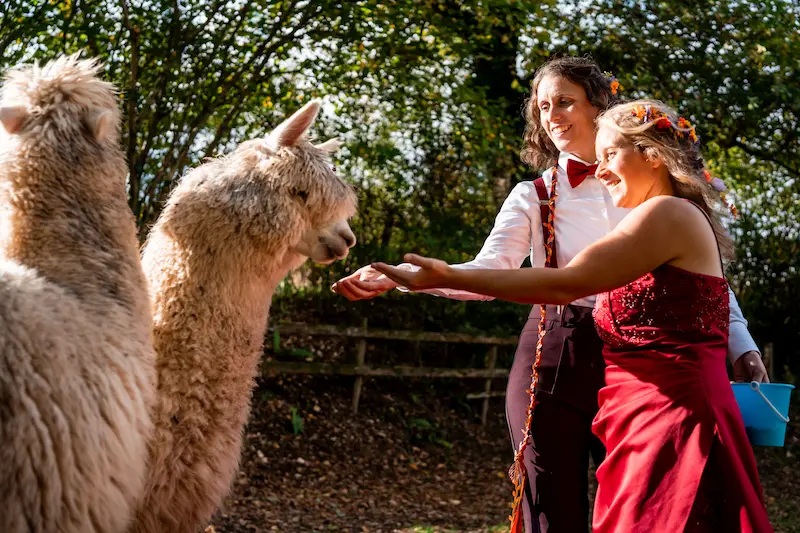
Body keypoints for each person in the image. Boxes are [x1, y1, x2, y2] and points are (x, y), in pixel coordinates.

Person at [333, 57, 768, 533]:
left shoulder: (654, 197)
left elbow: (698, 287)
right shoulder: (535, 194)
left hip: (647, 366)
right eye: (543, 107)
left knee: (648, 499)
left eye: (564, 102)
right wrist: (407, 277)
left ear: (599, 105)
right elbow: (493, 271)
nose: (553, 116)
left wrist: (740, 342)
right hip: (557, 350)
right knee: (550, 504)